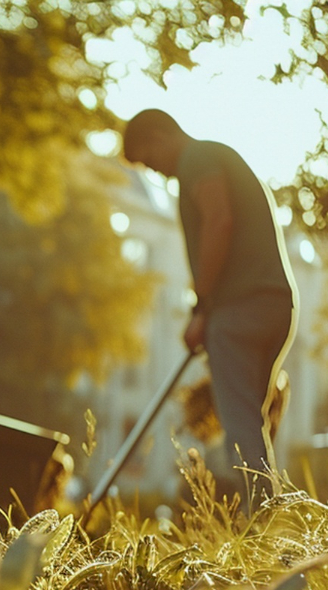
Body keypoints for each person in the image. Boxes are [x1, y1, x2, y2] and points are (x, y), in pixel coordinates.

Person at [121, 108, 299, 508]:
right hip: (276, 305)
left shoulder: (196, 159)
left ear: (159, 135)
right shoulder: (217, 155)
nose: (155, 171)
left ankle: (263, 535)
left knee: (242, 432)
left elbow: (220, 221)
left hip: (239, 311)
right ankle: (268, 525)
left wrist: (201, 308)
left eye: (149, 160)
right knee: (254, 427)